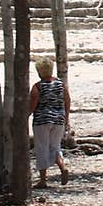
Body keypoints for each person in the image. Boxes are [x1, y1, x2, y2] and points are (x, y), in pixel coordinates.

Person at [29, 56, 71, 189]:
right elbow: (67, 100)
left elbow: (33, 105)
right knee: (55, 146)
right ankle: (62, 167)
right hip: (59, 120)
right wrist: (66, 118)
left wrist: (25, 116)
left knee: (42, 147)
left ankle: (43, 180)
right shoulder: (60, 84)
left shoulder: (38, 86)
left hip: (42, 121)